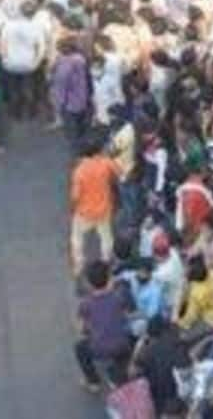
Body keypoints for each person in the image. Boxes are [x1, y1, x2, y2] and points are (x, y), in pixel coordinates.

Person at [75, 260, 133, 393]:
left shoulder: (86, 303)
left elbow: (81, 329)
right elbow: (127, 315)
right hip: (122, 345)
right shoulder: (119, 296)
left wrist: (89, 330)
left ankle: (93, 381)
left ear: (89, 283)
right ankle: (119, 371)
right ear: (108, 279)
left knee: (80, 348)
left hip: (99, 348)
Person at [70, 141, 119, 276]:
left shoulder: (79, 171)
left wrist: (73, 208)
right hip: (104, 209)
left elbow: (75, 195)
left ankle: (79, 265)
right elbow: (118, 173)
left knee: (77, 238)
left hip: (84, 212)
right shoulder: (106, 163)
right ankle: (106, 261)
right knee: (106, 238)